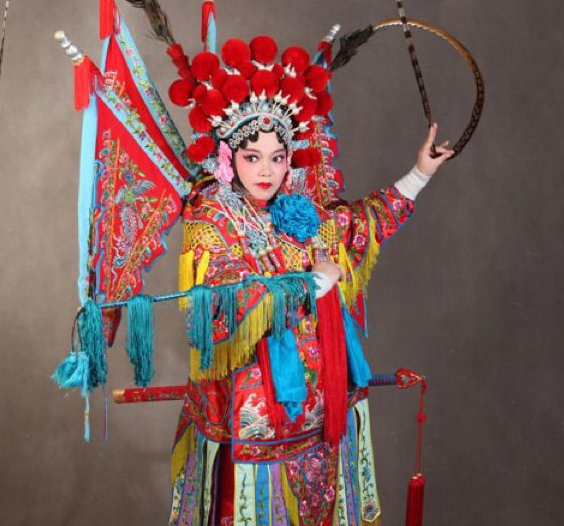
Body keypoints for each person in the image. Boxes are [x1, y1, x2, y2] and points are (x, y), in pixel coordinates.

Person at [167, 34, 453, 526]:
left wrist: (419, 174)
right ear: (228, 157)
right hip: (253, 418)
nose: (266, 170)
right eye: (252, 157)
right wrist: (311, 287)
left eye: (277, 157)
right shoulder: (212, 218)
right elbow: (222, 300)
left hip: (322, 411)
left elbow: (361, 225)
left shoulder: (299, 213)